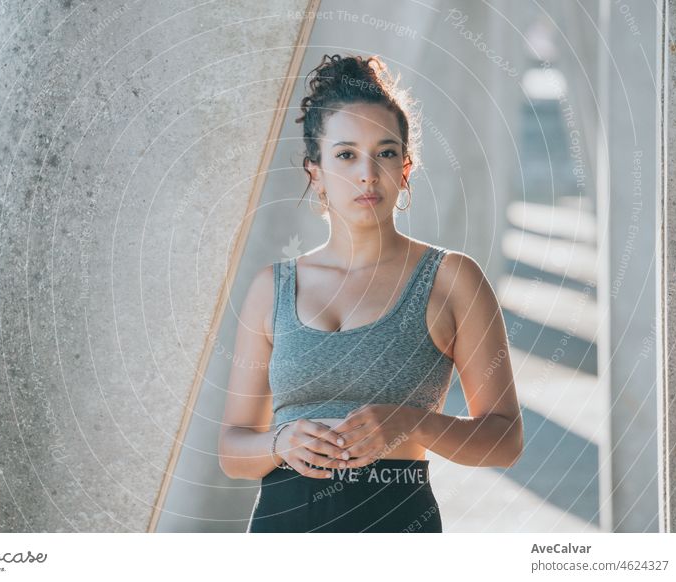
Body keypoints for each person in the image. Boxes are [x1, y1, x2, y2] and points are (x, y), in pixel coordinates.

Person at [217, 53, 523, 533]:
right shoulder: (271, 288)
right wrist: (280, 442)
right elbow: (233, 450)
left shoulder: (451, 279)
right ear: (314, 170)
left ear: (405, 167)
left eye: (385, 152)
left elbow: (505, 439)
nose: (367, 173)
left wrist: (411, 422)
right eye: (345, 155)